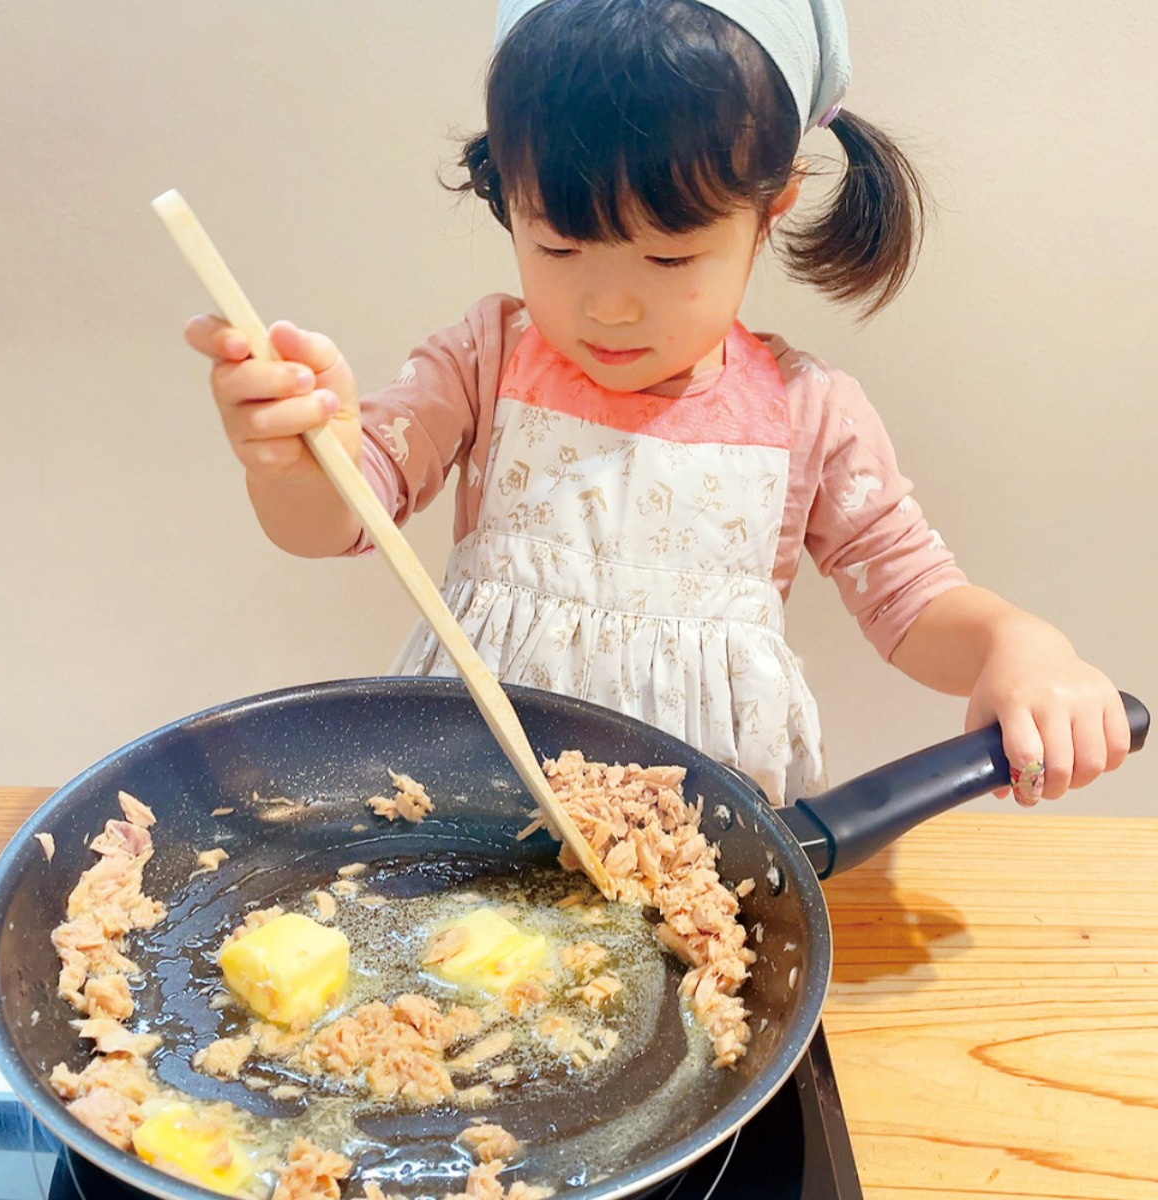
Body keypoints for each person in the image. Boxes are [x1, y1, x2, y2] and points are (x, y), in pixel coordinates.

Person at [183, 0, 1128, 808]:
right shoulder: (487, 359)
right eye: (556, 246)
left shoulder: (807, 412)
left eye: (670, 258)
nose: (609, 305)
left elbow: (912, 602)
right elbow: (339, 520)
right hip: (465, 805)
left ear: (773, 204)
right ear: (507, 192)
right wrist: (291, 459)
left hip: (697, 838)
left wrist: (1019, 644)